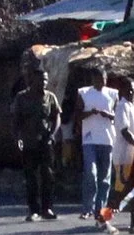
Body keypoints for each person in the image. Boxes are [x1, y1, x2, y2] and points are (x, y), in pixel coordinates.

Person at [11, 70, 62, 221]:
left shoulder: (50, 97)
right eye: (41, 80)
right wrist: (17, 138)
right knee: (31, 177)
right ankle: (34, 210)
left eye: (45, 80)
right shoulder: (21, 97)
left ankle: (47, 209)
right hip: (29, 142)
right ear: (32, 80)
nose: (44, 83)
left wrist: (52, 134)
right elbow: (16, 120)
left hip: (45, 142)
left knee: (48, 176)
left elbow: (56, 117)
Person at [74, 76, 119, 221]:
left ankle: (101, 210)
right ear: (93, 79)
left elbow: (118, 116)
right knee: (91, 173)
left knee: (105, 177)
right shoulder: (84, 92)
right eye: (98, 78)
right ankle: (88, 208)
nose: (101, 81)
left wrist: (108, 114)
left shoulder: (113, 93)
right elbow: (78, 115)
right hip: (89, 139)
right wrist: (90, 112)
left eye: (103, 78)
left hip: (107, 139)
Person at [109, 77, 134, 234]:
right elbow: (124, 131)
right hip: (124, 157)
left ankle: (133, 224)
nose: (131, 92)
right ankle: (103, 218)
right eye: (128, 89)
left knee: (133, 191)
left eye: (133, 89)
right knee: (121, 192)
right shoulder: (122, 106)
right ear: (122, 91)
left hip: (133, 157)